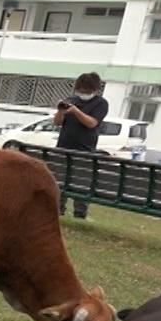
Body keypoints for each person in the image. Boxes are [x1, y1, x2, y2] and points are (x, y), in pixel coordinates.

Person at [53, 71, 109, 219]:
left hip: (84, 150)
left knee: (81, 183)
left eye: (86, 90)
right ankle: (58, 209)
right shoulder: (70, 100)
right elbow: (57, 122)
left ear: (95, 89)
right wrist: (60, 111)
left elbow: (91, 123)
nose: (82, 93)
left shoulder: (101, 104)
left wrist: (76, 111)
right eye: (80, 90)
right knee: (60, 181)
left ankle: (80, 213)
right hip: (63, 147)